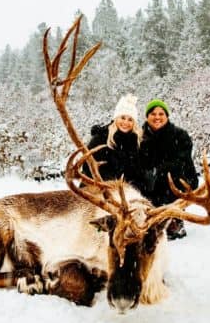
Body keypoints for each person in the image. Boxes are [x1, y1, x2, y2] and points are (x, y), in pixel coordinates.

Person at [139, 99, 199, 241]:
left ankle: (174, 218)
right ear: (147, 117)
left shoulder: (180, 136)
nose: (157, 117)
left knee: (173, 179)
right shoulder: (139, 136)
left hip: (174, 184)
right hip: (148, 187)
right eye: (153, 113)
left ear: (167, 116)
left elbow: (181, 163)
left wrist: (158, 170)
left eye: (161, 113)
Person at [82, 94, 142, 185]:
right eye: (122, 118)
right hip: (98, 189)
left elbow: (137, 172)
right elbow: (87, 167)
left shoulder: (136, 142)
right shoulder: (101, 138)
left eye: (130, 120)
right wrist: (111, 183)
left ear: (134, 123)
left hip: (126, 192)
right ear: (116, 118)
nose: (126, 122)